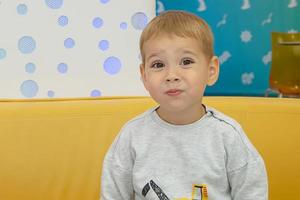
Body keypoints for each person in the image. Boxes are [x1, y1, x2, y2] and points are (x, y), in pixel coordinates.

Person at [101, 10, 268, 200]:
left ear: (211, 70)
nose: (172, 75)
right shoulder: (131, 136)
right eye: (158, 65)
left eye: (186, 61)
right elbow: (112, 195)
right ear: (144, 75)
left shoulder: (228, 135)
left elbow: (252, 192)